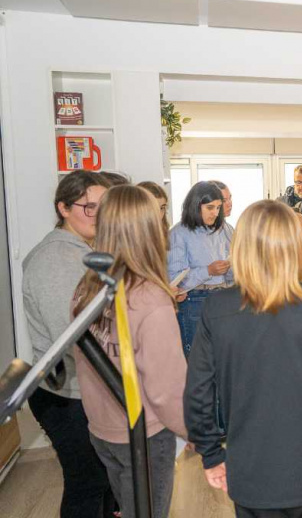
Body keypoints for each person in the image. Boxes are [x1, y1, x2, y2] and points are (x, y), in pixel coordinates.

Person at [185, 200, 302, 517]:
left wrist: (211, 454)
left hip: (250, 474)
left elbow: (198, 392)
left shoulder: (216, 307)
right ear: (294, 246)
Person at [72, 185, 187, 518]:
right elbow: (166, 389)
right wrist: (194, 431)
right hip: (143, 438)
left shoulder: (87, 286)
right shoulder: (150, 298)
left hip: (102, 430)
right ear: (149, 230)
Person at [22, 170, 115, 518]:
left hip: (83, 388)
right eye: (89, 207)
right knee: (88, 484)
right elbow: (74, 334)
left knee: (102, 482)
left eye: (104, 206)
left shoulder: (83, 250)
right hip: (65, 394)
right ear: (63, 208)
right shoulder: (56, 258)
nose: (98, 215)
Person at [168, 181, 233, 357]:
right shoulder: (178, 233)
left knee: (223, 358)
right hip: (194, 301)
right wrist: (208, 271)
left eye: (218, 207)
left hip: (223, 297)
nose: (215, 213)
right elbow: (174, 280)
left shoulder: (224, 229)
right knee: (197, 357)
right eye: (210, 207)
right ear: (196, 206)